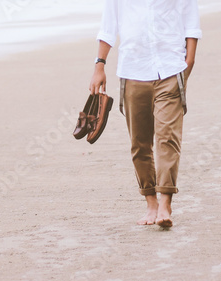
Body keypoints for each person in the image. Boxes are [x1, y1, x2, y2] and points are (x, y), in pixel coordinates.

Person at [89, 0, 202, 227]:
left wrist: (188, 63)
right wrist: (99, 66)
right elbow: (109, 27)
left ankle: (165, 203)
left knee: (167, 137)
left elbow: (191, 21)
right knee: (139, 143)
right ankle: (151, 202)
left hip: (170, 69)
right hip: (133, 71)